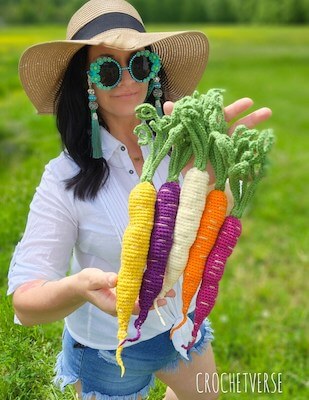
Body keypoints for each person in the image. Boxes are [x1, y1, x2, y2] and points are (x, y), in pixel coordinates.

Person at [7, 1, 272, 399]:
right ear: (87, 83)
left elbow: (201, 235)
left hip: (183, 327)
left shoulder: (183, 151)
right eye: (108, 69)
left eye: (140, 63)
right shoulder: (62, 179)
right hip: (108, 350)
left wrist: (214, 184)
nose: (128, 80)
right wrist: (78, 288)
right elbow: (26, 303)